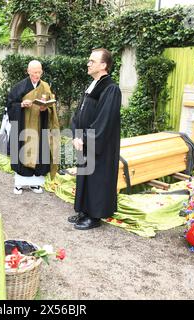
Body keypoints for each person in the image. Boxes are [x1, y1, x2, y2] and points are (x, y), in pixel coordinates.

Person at [69, 48, 121, 230]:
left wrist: (85, 137)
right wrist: (76, 134)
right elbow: (79, 113)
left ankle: (94, 216)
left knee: (96, 177)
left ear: (103, 65)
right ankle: (84, 211)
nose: (88, 63)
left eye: (92, 61)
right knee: (85, 175)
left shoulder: (111, 88)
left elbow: (104, 120)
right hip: (85, 141)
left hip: (100, 145)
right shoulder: (93, 85)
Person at [6, 60, 60, 195]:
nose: (37, 75)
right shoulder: (19, 87)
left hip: (40, 126)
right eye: (34, 72)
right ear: (28, 71)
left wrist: (45, 108)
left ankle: (35, 184)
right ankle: (19, 184)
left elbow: (51, 106)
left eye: (39, 72)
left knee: (40, 155)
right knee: (22, 153)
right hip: (23, 126)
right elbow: (10, 105)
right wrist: (21, 105)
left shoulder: (45, 86)